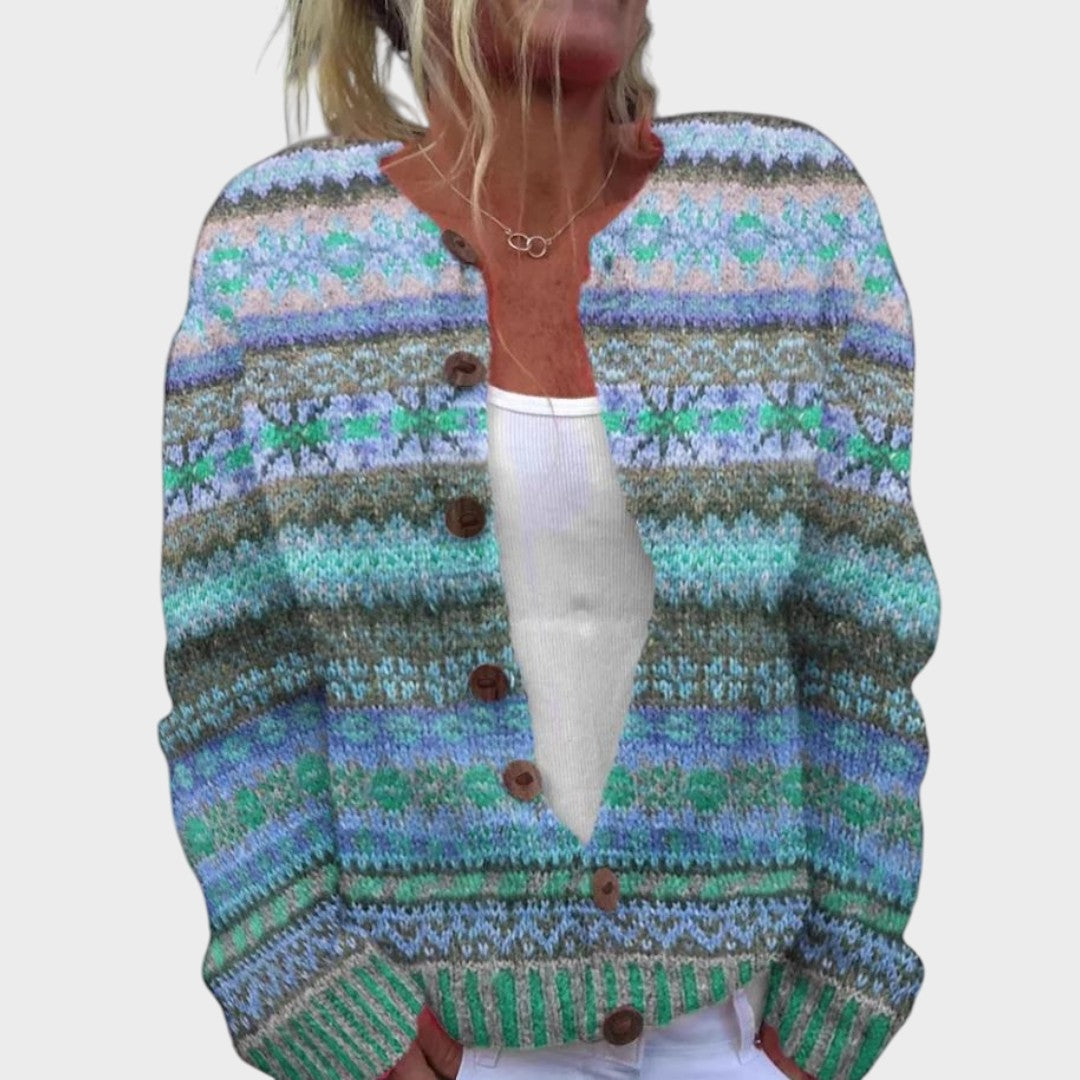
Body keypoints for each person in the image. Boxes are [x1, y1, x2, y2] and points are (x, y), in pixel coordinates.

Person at [156, 2, 939, 1079]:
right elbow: (237, 677)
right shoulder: (278, 254)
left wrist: (832, 1010)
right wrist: (311, 994)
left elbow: (860, 641)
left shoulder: (790, 214)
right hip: (426, 1038)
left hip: (734, 1034)